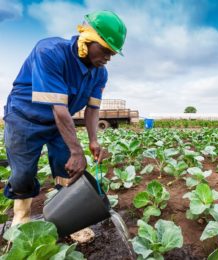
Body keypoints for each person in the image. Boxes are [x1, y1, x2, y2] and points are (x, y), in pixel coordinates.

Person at [3, 10, 126, 231]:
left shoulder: (100, 73)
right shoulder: (49, 52)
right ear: (88, 39)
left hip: (59, 122)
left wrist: (93, 140)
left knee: (68, 167)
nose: (108, 57)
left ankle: (65, 210)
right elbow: (58, 108)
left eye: (113, 54)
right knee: (22, 174)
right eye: (106, 50)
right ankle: (22, 217)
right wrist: (78, 151)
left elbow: (92, 109)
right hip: (24, 118)